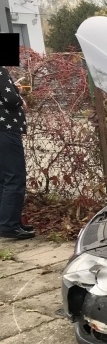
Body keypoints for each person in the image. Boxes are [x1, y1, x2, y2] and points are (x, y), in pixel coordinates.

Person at [0, 66, 34, 240]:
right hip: (6, 129)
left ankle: (7, 221)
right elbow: (10, 98)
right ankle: (8, 225)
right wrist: (18, 95)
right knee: (15, 177)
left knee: (4, 178)